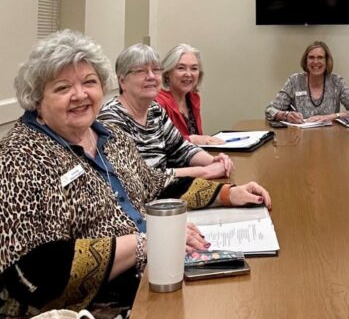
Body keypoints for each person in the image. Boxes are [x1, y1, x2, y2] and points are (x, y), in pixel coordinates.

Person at [0, 30, 271, 318]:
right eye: (63, 88)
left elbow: (155, 186)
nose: (80, 95)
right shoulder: (19, 156)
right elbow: (28, 275)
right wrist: (143, 243)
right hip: (90, 307)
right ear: (37, 99)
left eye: (89, 82)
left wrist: (229, 194)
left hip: (153, 270)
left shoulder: (110, 136)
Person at [98, 44, 233, 180]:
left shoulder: (154, 110)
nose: (151, 76)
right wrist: (205, 171)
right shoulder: (111, 117)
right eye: (141, 71)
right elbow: (140, 178)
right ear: (122, 81)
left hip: (166, 193)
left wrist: (213, 161)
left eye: (156, 70)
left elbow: (181, 148)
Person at [265, 41, 349, 124]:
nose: (315, 62)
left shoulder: (336, 82)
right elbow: (270, 111)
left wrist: (333, 116)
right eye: (311, 57)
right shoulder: (294, 81)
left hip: (330, 137)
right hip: (299, 137)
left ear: (327, 61)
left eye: (320, 57)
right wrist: (286, 115)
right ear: (306, 61)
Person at [157, 44, 224, 145]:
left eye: (194, 68)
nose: (188, 74)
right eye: (181, 68)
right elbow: (159, 143)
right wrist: (192, 140)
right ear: (167, 72)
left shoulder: (193, 98)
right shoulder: (158, 102)